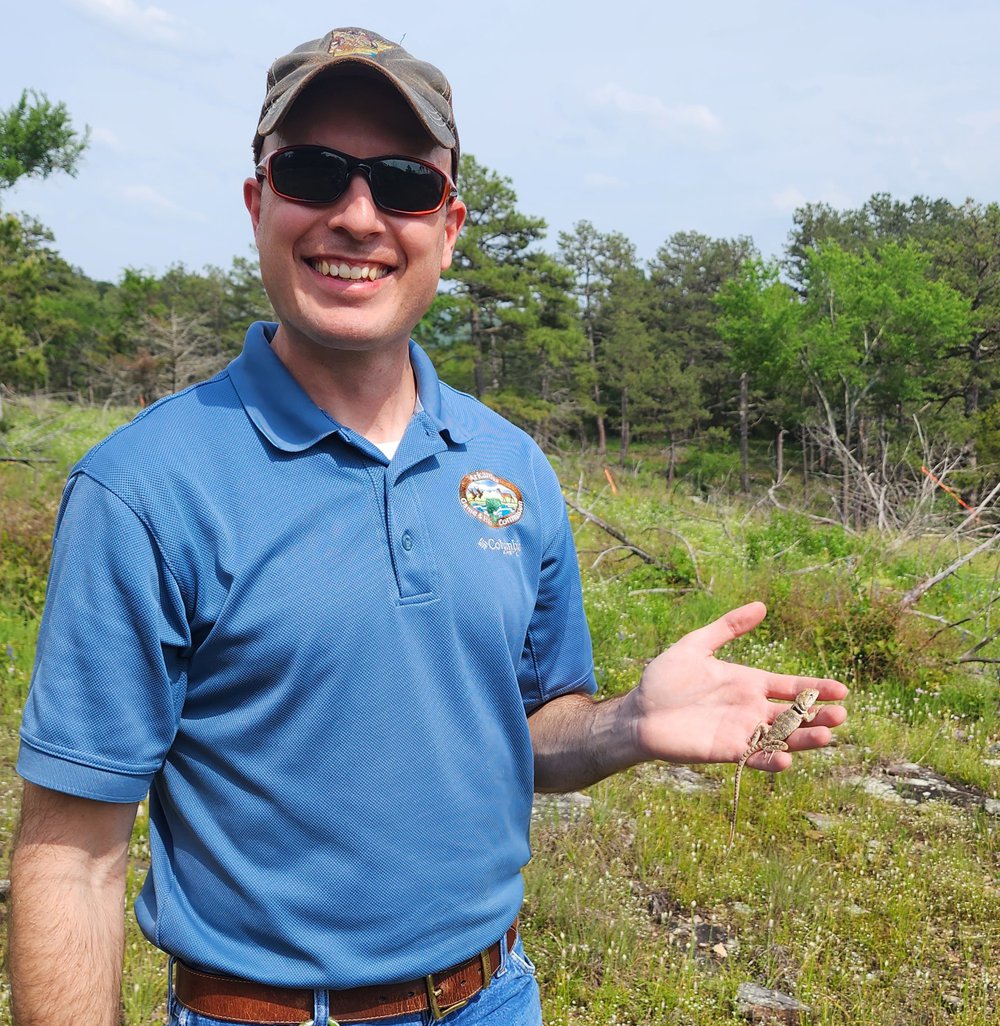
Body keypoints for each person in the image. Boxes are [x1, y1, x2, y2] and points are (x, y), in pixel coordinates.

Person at [8, 27, 847, 1026]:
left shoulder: (513, 469)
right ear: (258, 204)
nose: (357, 216)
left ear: (448, 227)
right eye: (314, 173)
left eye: (402, 183)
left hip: (495, 997)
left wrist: (628, 724)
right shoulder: (144, 489)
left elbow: (532, 736)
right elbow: (74, 852)